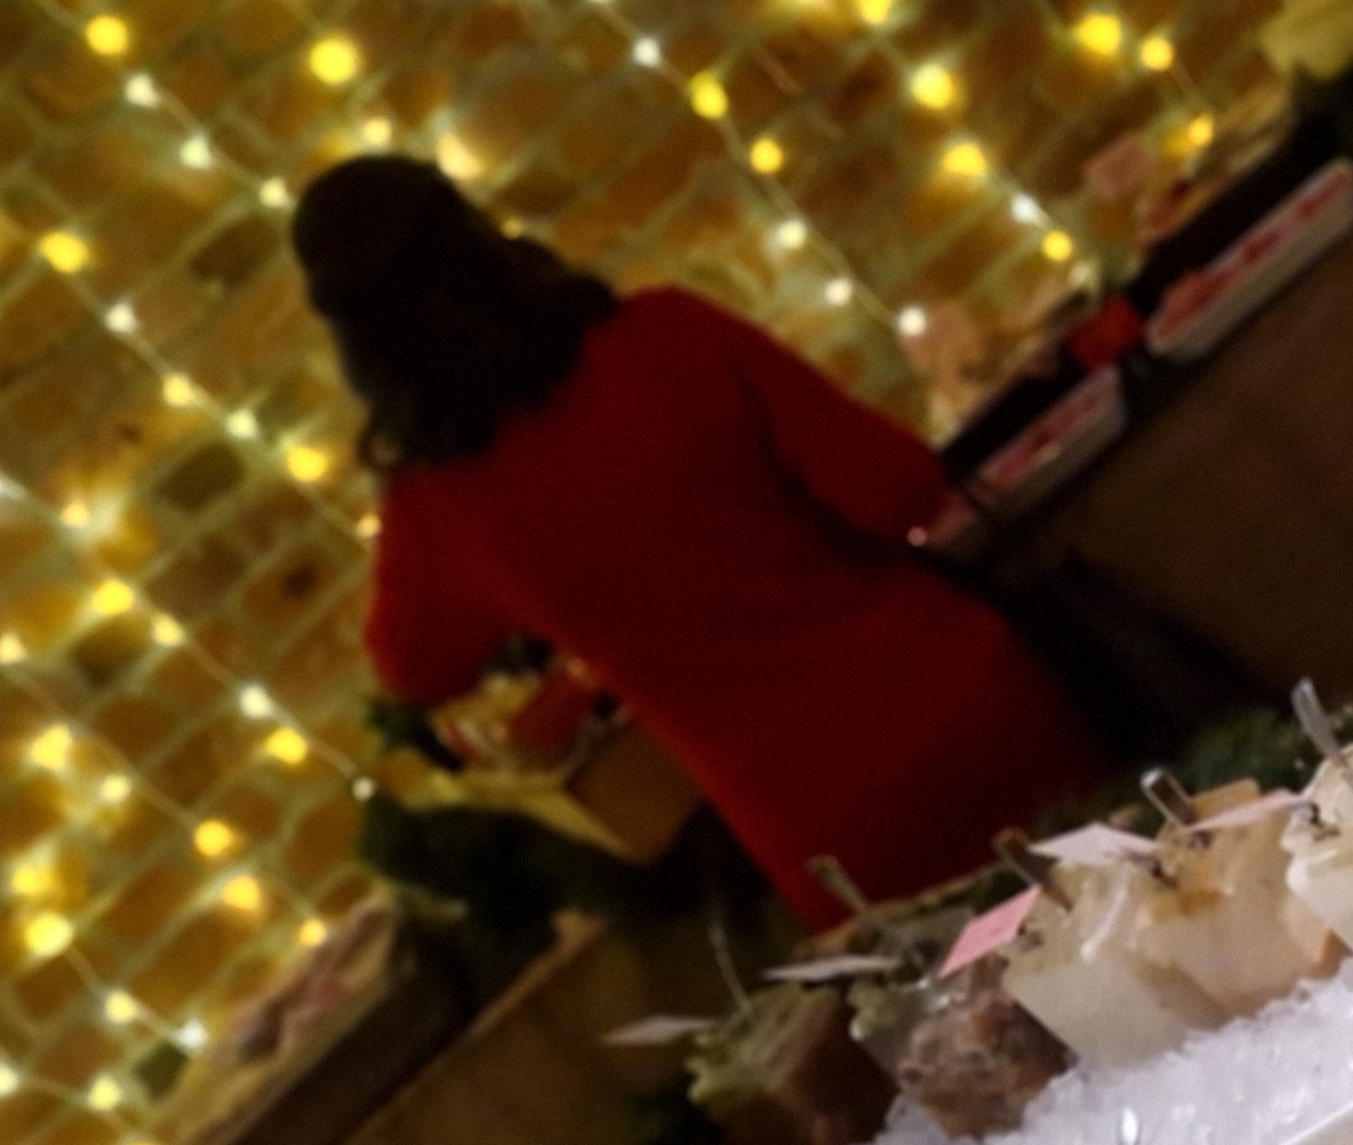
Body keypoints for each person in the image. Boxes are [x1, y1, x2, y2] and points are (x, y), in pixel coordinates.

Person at [292, 154, 1098, 930]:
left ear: (356, 344)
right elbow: (901, 491)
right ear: (481, 236)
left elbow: (409, 669)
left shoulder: (436, 511)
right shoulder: (668, 333)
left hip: (831, 829)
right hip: (965, 706)